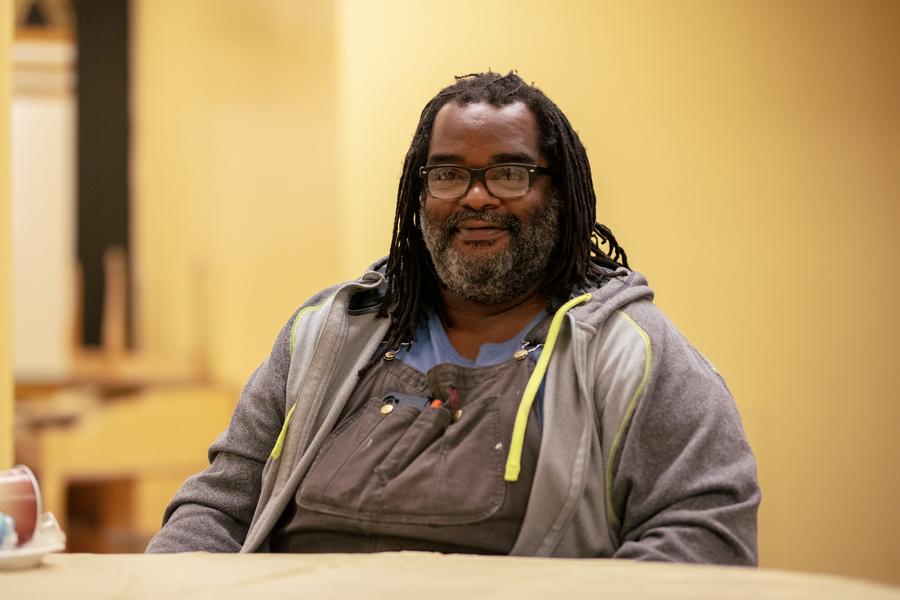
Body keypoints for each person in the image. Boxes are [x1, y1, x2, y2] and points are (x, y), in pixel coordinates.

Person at [146, 72, 760, 563]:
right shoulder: (326, 336)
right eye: (448, 174)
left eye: (509, 172)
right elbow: (218, 509)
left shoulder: (633, 354)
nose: (475, 195)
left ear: (562, 195)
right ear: (419, 196)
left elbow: (705, 536)